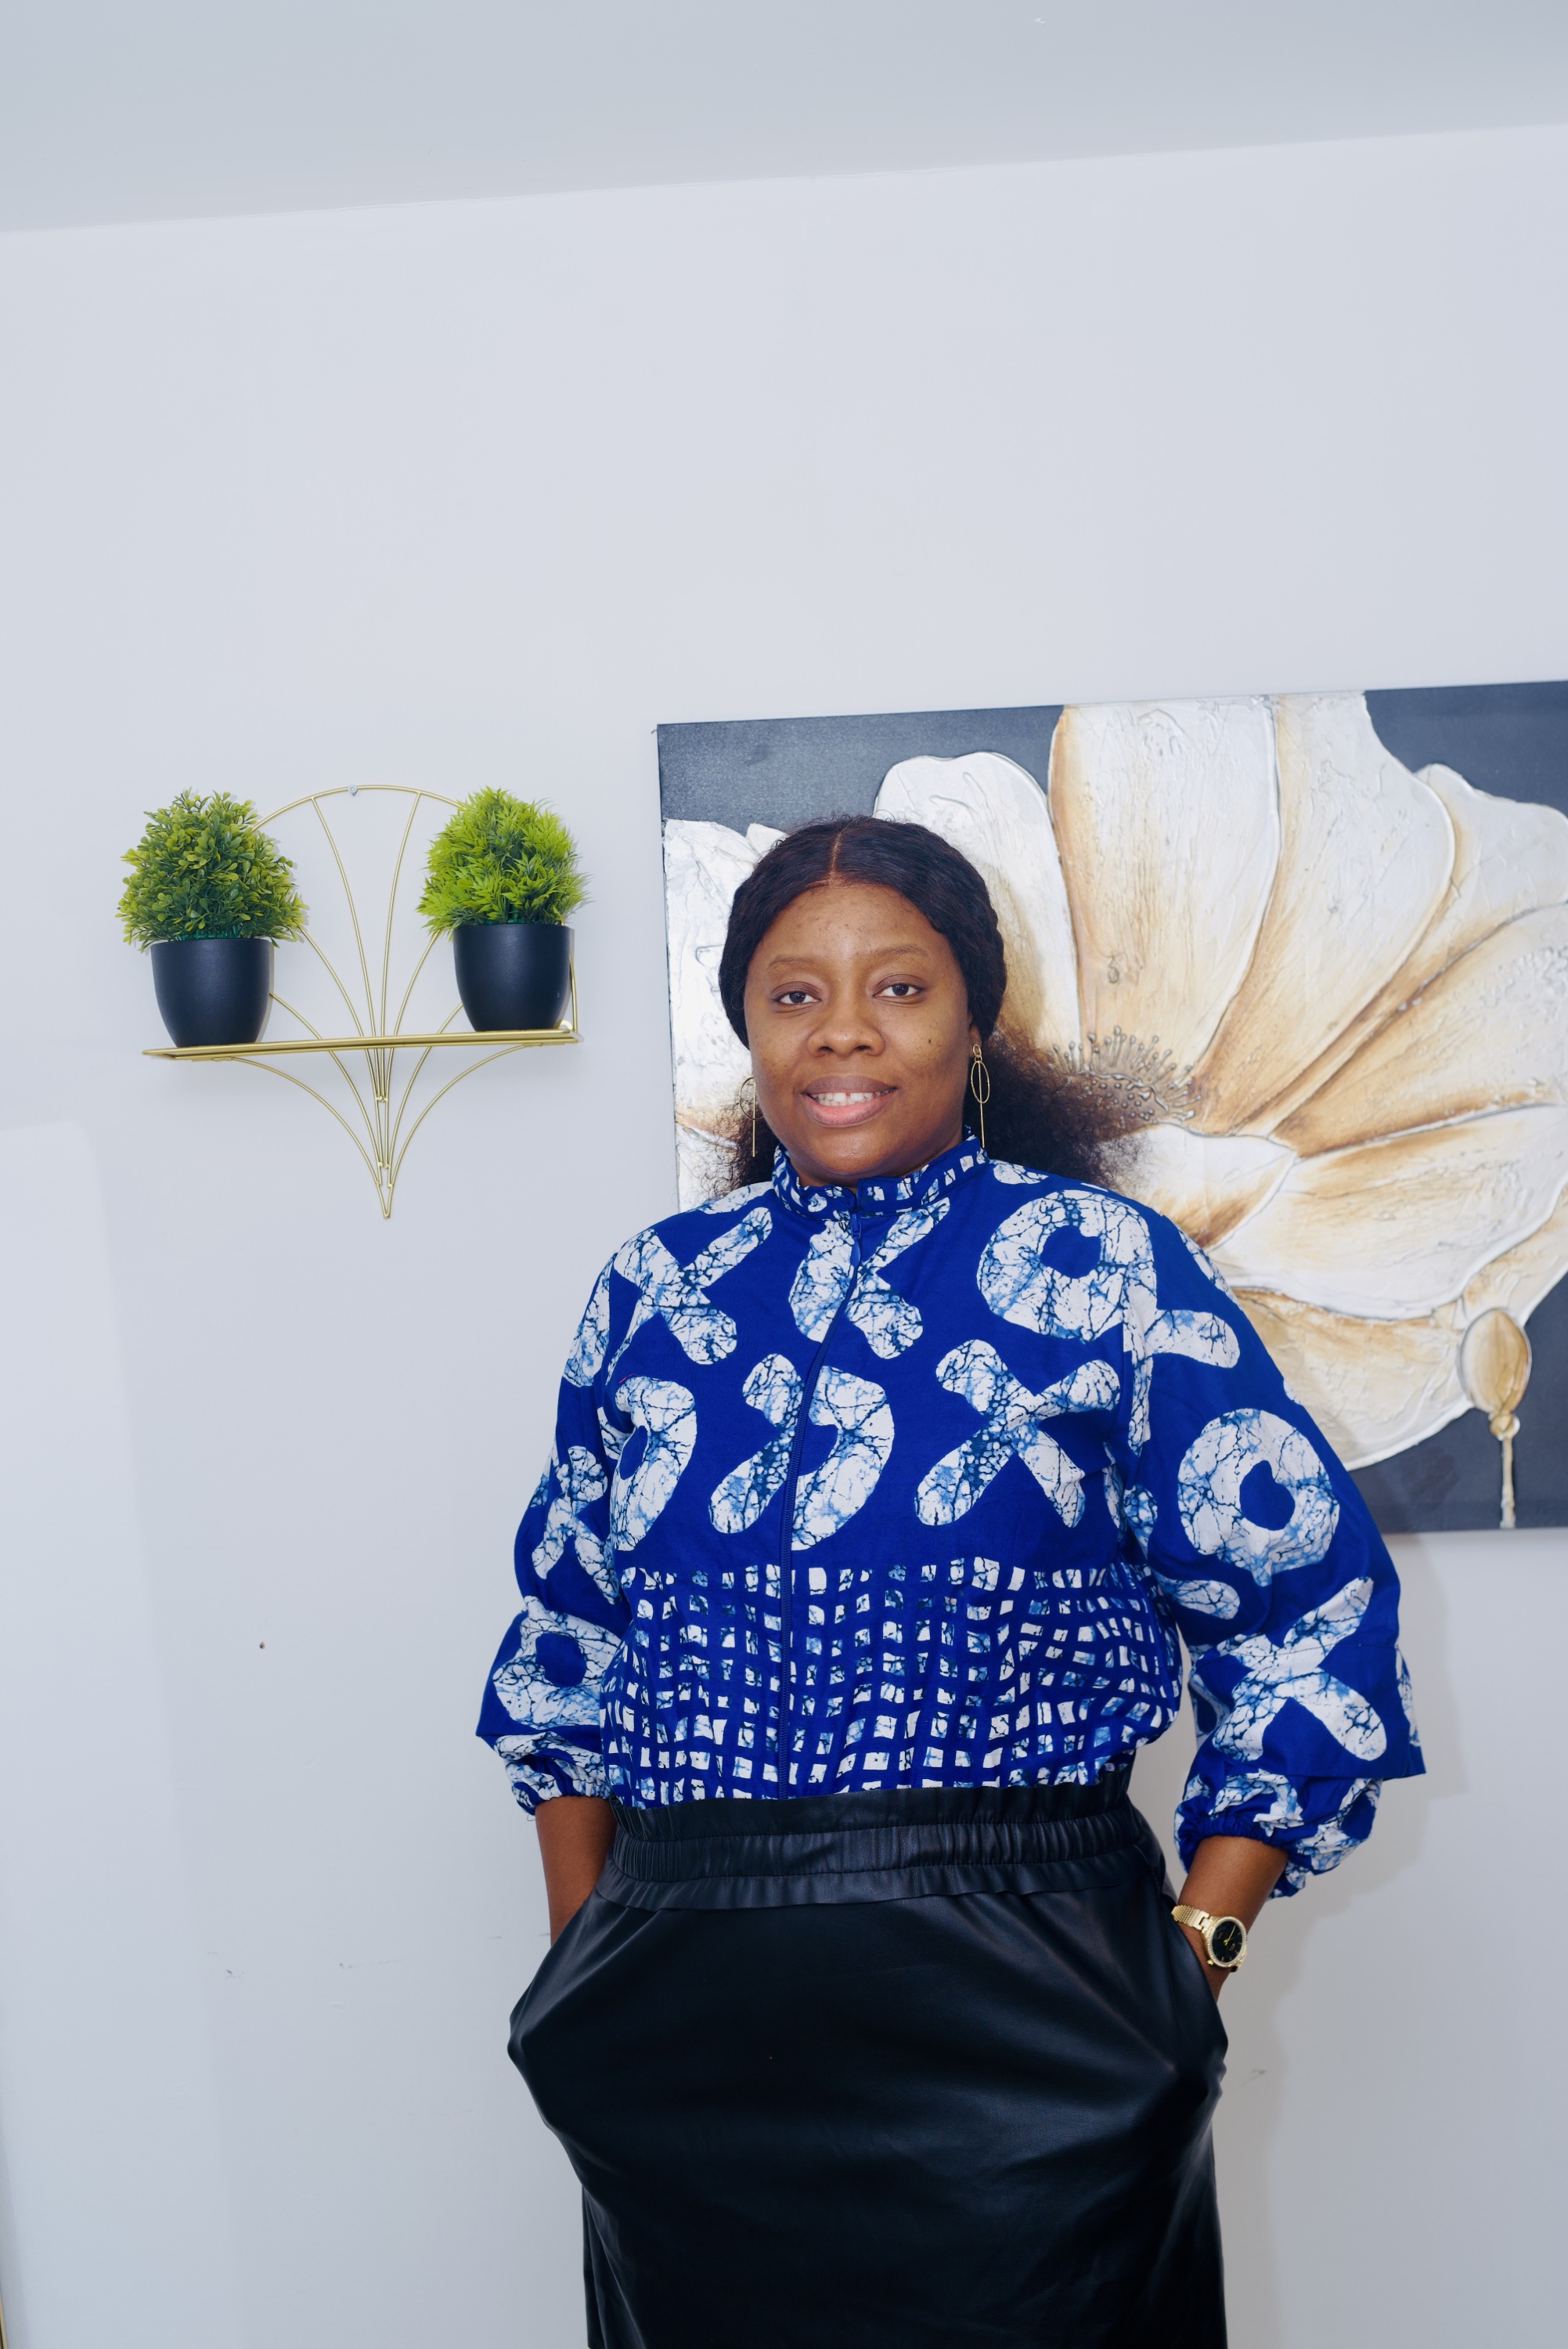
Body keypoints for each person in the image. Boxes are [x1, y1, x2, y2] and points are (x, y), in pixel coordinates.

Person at [478, 814, 1421, 2349]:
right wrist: (583, 1972)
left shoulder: (1109, 1271)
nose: (843, 1031)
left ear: (975, 1020)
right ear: (747, 1028)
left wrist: (1189, 1974)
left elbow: (1308, 1630)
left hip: (1034, 2009)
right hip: (683, 2034)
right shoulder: (653, 1290)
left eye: (899, 988)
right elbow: (567, 1650)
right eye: (794, 994)